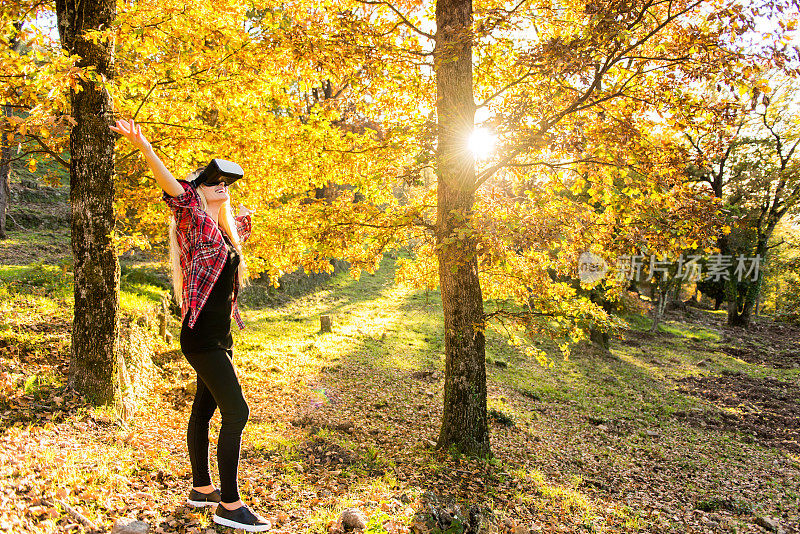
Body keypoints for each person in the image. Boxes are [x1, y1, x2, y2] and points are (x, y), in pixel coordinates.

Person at [110, 118, 270, 532]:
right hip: (201, 339)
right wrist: (145, 147)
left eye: (225, 182)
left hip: (220, 336)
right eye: (211, 180)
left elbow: (238, 223)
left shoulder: (226, 231)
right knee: (237, 412)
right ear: (195, 191)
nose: (221, 185)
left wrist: (236, 209)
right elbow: (176, 190)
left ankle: (202, 489)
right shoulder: (193, 220)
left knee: (204, 409)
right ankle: (230, 506)